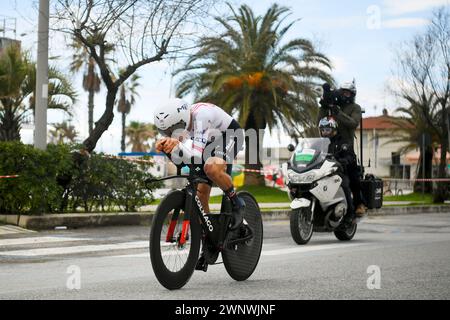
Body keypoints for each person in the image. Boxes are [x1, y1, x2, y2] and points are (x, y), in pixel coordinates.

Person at [153, 98, 249, 236]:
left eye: (172, 130)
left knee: (212, 168)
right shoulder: (180, 123)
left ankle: (237, 203)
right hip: (209, 142)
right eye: (165, 132)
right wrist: (167, 149)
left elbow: (195, 157)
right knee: (201, 193)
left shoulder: (202, 116)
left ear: (183, 120)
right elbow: (185, 163)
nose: (171, 134)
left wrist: (177, 145)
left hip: (230, 134)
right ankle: (209, 237)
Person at [317, 80, 366, 217]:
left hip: (346, 148)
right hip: (329, 146)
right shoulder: (333, 106)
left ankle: (359, 204)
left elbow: (353, 123)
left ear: (352, 94)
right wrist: (324, 106)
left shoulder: (355, 108)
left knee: (352, 177)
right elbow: (318, 122)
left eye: (347, 92)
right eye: (343, 91)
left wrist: (338, 113)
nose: (344, 94)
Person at [319, 117, 356, 223]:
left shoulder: (342, 141)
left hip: (339, 171)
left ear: (334, 129)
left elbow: (350, 155)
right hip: (322, 171)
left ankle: (350, 213)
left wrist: (344, 160)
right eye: (323, 130)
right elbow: (311, 152)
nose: (325, 132)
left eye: (327, 129)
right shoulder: (320, 143)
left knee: (344, 185)